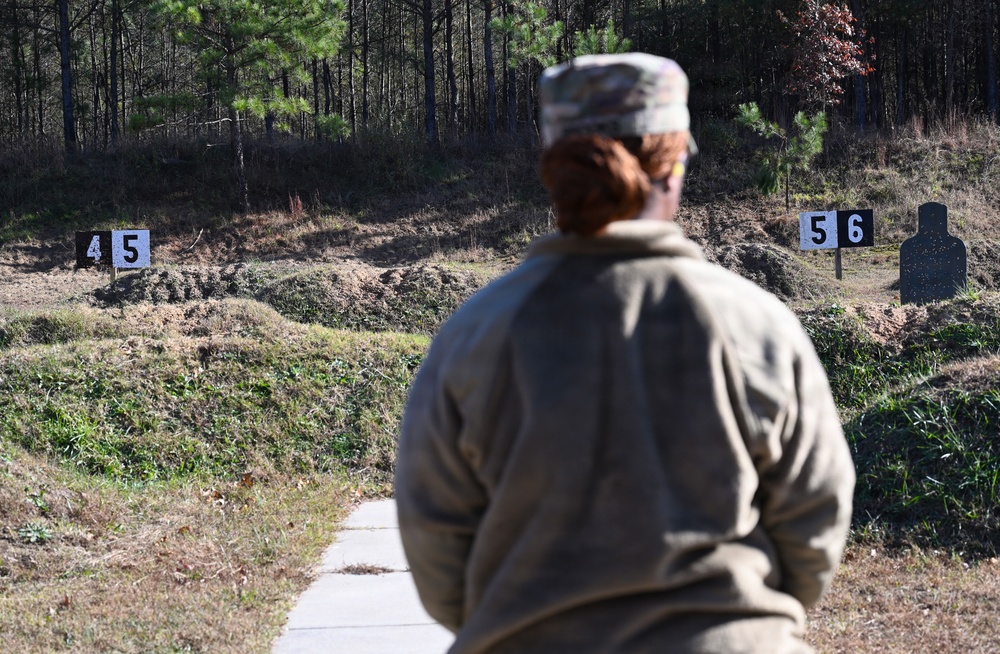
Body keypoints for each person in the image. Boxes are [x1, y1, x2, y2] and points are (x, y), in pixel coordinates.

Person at [395, 53, 855, 654]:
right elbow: (815, 514)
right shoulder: (755, 322)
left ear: (555, 170)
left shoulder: (477, 332)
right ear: (675, 165)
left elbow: (433, 531)